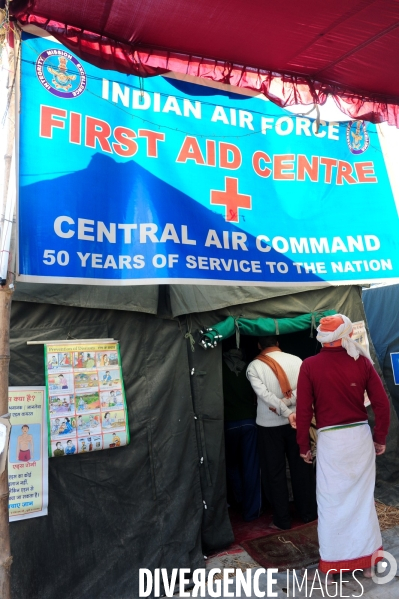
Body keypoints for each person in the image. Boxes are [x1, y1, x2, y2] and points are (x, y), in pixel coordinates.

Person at [296, 314, 390, 582]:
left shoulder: (310, 366)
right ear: (345, 332)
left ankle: (334, 565)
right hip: (359, 437)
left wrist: (304, 445)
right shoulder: (361, 361)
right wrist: (380, 436)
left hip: (331, 441)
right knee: (363, 502)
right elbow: (381, 404)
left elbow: (303, 411)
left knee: (330, 502)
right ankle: (370, 563)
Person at [247, 335, 317, 530]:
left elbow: (264, 395)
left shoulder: (254, 367)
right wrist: (289, 408)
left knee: (274, 472)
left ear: (259, 344)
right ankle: (308, 514)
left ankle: (282, 520)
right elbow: (304, 389)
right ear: (278, 343)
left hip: (268, 425)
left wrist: (283, 409)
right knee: (302, 467)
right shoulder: (297, 360)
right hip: (298, 421)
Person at [222, 345, 262, 521]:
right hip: (249, 420)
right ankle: (251, 510)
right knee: (251, 466)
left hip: (229, 423)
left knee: (231, 464)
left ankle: (238, 500)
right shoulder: (249, 367)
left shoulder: (220, 368)